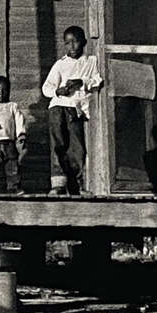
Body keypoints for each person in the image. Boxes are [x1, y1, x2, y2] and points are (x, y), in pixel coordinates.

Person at [41, 26, 104, 195]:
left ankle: (77, 185)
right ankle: (58, 184)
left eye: (75, 41)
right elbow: (46, 87)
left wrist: (81, 83)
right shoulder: (60, 64)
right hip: (58, 106)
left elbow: (97, 80)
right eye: (68, 43)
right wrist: (58, 91)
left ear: (83, 41)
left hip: (76, 109)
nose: (72, 46)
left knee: (77, 146)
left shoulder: (91, 61)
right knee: (59, 144)